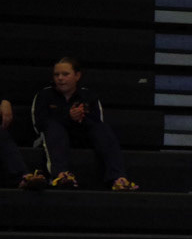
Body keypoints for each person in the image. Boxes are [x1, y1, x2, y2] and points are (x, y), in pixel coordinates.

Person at [30, 57, 136, 190]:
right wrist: (68, 117)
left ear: (77, 76)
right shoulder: (44, 95)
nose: (60, 78)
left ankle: (118, 178)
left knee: (102, 129)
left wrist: (80, 118)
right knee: (53, 128)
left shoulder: (88, 95)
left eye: (65, 74)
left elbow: (98, 121)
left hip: (82, 137)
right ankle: (61, 175)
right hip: (53, 139)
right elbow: (39, 124)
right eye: (57, 75)